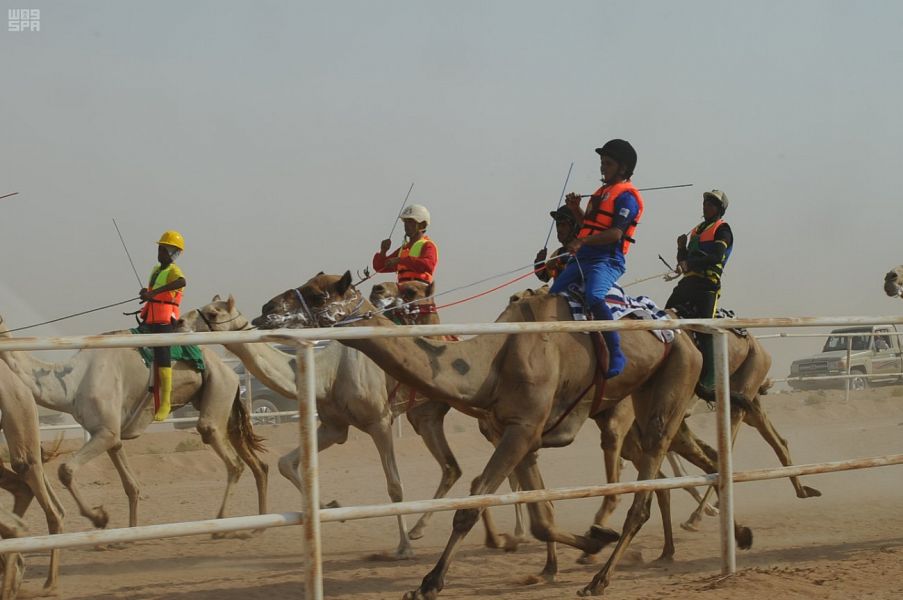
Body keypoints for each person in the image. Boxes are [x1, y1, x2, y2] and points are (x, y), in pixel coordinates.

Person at [549, 139, 643, 378]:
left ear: (623, 168)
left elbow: (614, 234)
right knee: (554, 294)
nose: (603, 168)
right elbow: (588, 225)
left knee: (594, 296)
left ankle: (616, 351)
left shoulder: (627, 198)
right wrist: (576, 209)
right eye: (602, 163)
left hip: (607, 259)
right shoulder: (600, 194)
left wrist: (581, 241)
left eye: (608, 164)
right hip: (584, 256)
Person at [665, 189, 733, 392]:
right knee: (664, 317)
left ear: (719, 209)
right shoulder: (696, 231)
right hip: (688, 283)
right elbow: (684, 262)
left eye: (711, 204)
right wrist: (680, 248)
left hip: (707, 285)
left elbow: (715, 257)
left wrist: (689, 263)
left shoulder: (723, 230)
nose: (706, 206)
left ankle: (711, 379)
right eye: (705, 203)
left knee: (705, 329)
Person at [139, 230, 187, 421]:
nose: (159, 253)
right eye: (159, 249)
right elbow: (153, 292)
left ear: (173, 253)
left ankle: (166, 402)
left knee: (162, 356)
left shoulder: (175, 271)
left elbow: (182, 281)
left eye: (163, 250)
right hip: (150, 316)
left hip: (166, 319)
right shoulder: (155, 270)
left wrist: (154, 293)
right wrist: (146, 292)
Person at [373, 204, 438, 285]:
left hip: (419, 289)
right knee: (380, 291)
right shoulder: (403, 249)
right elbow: (380, 267)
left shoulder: (428, 245)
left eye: (410, 222)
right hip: (402, 289)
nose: (406, 225)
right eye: (405, 222)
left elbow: (428, 265)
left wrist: (400, 260)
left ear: (422, 225)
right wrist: (383, 251)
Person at [534, 206, 580, 283]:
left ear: (574, 227)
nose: (559, 229)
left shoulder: (586, 249)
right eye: (558, 225)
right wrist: (539, 262)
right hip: (560, 294)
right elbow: (544, 276)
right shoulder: (559, 253)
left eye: (563, 225)